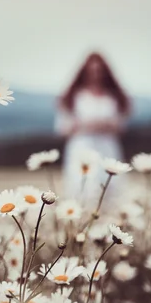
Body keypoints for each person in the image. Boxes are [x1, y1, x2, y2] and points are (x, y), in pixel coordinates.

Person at [55, 52, 131, 201]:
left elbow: (121, 126)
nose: (96, 75)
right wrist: (90, 125)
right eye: (92, 71)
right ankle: (83, 223)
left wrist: (101, 125)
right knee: (81, 187)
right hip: (81, 148)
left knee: (111, 189)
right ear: (84, 72)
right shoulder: (73, 96)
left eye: (99, 71)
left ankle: (110, 224)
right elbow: (62, 128)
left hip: (108, 148)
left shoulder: (113, 96)